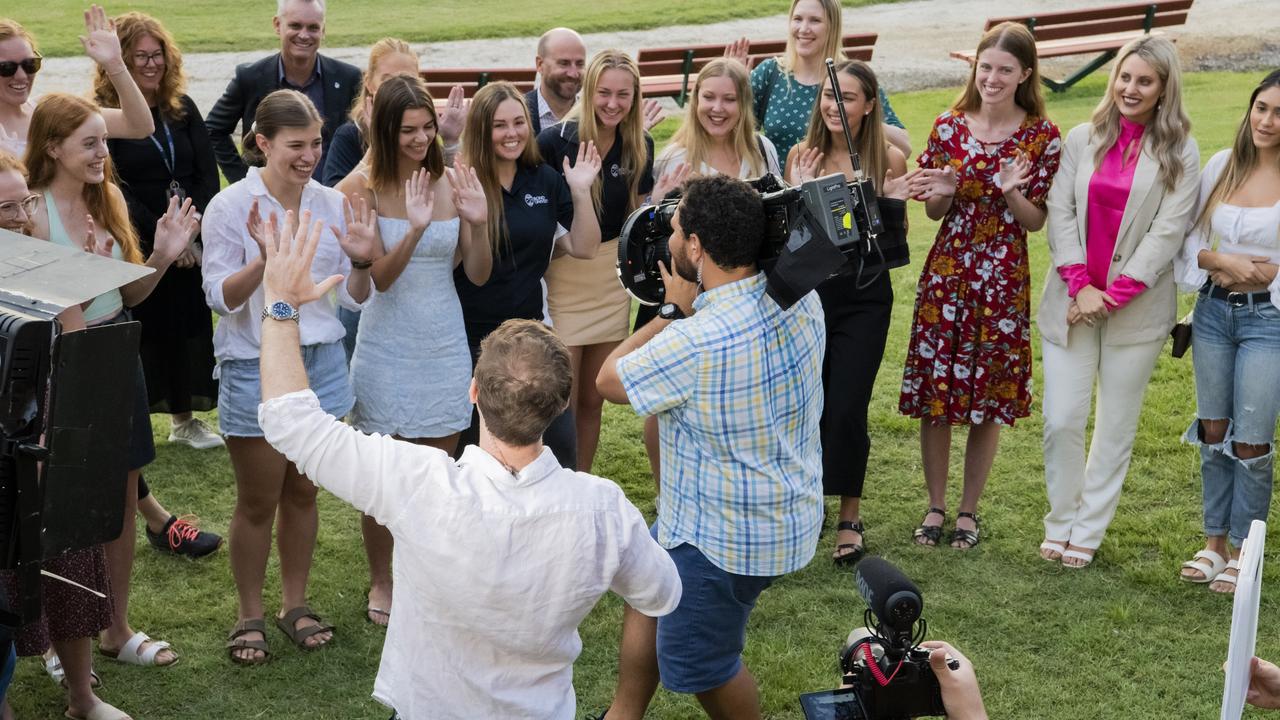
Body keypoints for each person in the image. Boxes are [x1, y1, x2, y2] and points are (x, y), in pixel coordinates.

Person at [256, 209, 680, 719]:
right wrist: (625, 711)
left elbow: (291, 423)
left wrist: (281, 305)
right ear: (560, 404)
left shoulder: (416, 481)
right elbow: (660, 596)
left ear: (474, 392)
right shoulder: (603, 508)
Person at [597, 175, 825, 719]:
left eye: (676, 229)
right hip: (779, 513)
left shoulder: (693, 340)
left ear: (696, 247)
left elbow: (607, 380)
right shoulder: (800, 295)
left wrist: (672, 311)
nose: (670, 239)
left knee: (701, 662)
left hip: (721, 541)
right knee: (645, 589)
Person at [22, 88, 199, 709]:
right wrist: (91, 281)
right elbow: (64, 319)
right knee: (63, 515)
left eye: (104, 140)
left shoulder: (110, 197)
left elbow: (126, 297)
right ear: (52, 148)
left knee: (121, 501)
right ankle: (55, 641)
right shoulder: (31, 213)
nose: (104, 153)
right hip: (64, 368)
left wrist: (160, 256)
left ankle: (114, 628)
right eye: (90, 143)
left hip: (115, 355)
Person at [201, 89, 376, 663]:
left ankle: (293, 605)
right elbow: (221, 300)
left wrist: (360, 261)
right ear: (261, 144)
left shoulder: (331, 203)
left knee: (303, 490)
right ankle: (249, 614)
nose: (309, 156)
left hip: (322, 364)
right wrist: (263, 260)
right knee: (258, 499)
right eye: (296, 146)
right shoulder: (231, 209)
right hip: (254, 366)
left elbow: (352, 302)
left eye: (317, 143)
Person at [1037, 36, 1199, 569]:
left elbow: (1167, 233)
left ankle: (1088, 530)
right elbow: (1059, 213)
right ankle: (1060, 520)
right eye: (1125, 77)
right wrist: (1081, 285)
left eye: (1144, 81)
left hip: (1136, 308)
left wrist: (1111, 296)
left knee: (1114, 425)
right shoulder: (1082, 139)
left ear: (1163, 90)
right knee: (1062, 419)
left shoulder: (1181, 151)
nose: (1131, 88)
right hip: (1072, 298)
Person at [336, 73, 491, 626]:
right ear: (384, 129)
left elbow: (474, 273)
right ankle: (382, 580)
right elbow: (378, 280)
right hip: (387, 345)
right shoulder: (361, 188)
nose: (422, 140)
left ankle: (425, 575)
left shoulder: (451, 179)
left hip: (444, 340)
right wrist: (415, 231)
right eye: (409, 130)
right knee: (385, 477)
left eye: (428, 128)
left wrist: (477, 224)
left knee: (435, 472)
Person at [900, 22, 1061, 550]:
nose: (992, 78)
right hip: (948, 273)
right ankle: (935, 506)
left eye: (1004, 70)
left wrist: (1012, 191)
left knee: (987, 399)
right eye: (985, 67)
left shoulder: (1042, 136)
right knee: (937, 396)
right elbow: (932, 209)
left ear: (1025, 75)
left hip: (1002, 279)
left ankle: (969, 511)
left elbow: (1034, 222)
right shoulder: (948, 126)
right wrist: (944, 191)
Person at [94, 11, 226, 560]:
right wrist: (164, 241)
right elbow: (115, 184)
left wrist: (193, 230)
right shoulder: (108, 117)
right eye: (139, 57)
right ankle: (163, 425)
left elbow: (204, 167)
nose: (151, 65)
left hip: (187, 233)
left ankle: (185, 418)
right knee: (150, 324)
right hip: (143, 236)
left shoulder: (183, 107)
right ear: (120, 62)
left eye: (157, 56)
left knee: (189, 325)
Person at [786, 59, 909, 565]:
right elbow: (792, 247)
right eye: (831, 98)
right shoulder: (802, 154)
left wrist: (881, 201)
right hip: (811, 298)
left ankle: (849, 515)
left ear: (870, 106)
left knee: (846, 406)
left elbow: (893, 252)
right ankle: (805, 506)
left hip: (864, 298)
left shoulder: (887, 162)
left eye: (849, 98)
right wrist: (797, 189)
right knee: (807, 407)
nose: (836, 107)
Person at [538, 50, 676, 472]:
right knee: (562, 396)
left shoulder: (640, 143)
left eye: (623, 94)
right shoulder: (553, 142)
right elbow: (541, 216)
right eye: (604, 93)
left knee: (592, 397)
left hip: (611, 281)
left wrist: (657, 202)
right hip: (565, 274)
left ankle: (581, 482)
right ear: (588, 91)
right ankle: (553, 485)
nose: (613, 103)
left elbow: (635, 215)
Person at [453, 81, 601, 469]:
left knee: (559, 450)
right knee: (481, 459)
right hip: (473, 342)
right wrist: (478, 220)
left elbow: (583, 246)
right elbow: (477, 274)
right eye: (499, 125)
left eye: (519, 122)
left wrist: (581, 191)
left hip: (531, 335)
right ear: (482, 131)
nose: (512, 133)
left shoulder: (543, 180)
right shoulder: (465, 182)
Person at [1174, 69, 1280, 593]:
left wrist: (1268, 272)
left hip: (1270, 321)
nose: (1267, 120)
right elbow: (1188, 237)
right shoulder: (1222, 164)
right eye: (1261, 107)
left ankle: (1246, 550)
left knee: (1252, 441)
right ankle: (1214, 544)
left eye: (1279, 112)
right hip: (1214, 312)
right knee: (1213, 429)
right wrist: (1224, 260)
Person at [205, 0, 361, 183]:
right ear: (277, 25)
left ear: (323, 30)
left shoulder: (348, 78)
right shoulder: (250, 78)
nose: (304, 35)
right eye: (295, 26)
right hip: (268, 202)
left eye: (313, 27)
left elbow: (365, 135)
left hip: (331, 201)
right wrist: (243, 179)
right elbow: (212, 130)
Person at [741, 0, 909, 165]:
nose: (804, 29)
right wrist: (733, 84)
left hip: (833, 189)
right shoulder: (770, 72)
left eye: (815, 20)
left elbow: (905, 148)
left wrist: (858, 115)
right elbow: (737, 130)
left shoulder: (851, 78)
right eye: (798, 19)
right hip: (779, 190)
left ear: (832, 27)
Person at [0, 8, 156, 155]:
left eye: (29, 64)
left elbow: (140, 126)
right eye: (6, 67)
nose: (21, 76)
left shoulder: (50, 112)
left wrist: (115, 64)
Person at [527, 28, 586, 136]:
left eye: (580, 64)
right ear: (540, 65)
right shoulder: (518, 115)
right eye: (564, 63)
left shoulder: (592, 115)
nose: (573, 74)